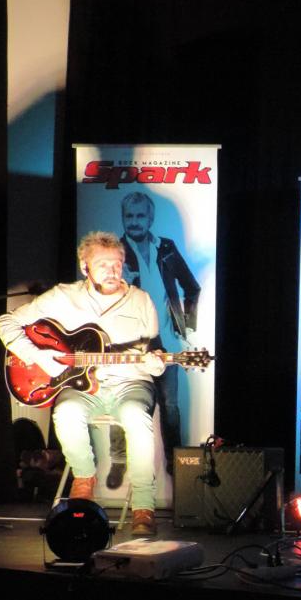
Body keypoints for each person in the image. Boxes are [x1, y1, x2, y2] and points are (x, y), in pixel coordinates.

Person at [0, 231, 164, 536]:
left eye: (117, 264)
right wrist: (38, 356)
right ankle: (84, 479)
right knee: (66, 412)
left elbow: (151, 352)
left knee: (135, 417)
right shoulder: (63, 296)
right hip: (82, 387)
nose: (112, 271)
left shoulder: (141, 300)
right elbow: (6, 322)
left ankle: (143, 507)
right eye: (103, 265)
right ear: (85, 268)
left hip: (130, 382)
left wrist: (156, 363)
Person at [109, 191, 200, 482]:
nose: (134, 222)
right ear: (123, 219)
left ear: (150, 219)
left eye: (140, 216)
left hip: (167, 342)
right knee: (122, 401)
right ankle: (119, 459)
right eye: (129, 216)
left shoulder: (166, 247)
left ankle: (175, 461)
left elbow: (192, 287)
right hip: (128, 343)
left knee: (170, 405)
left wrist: (186, 326)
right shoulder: (115, 253)